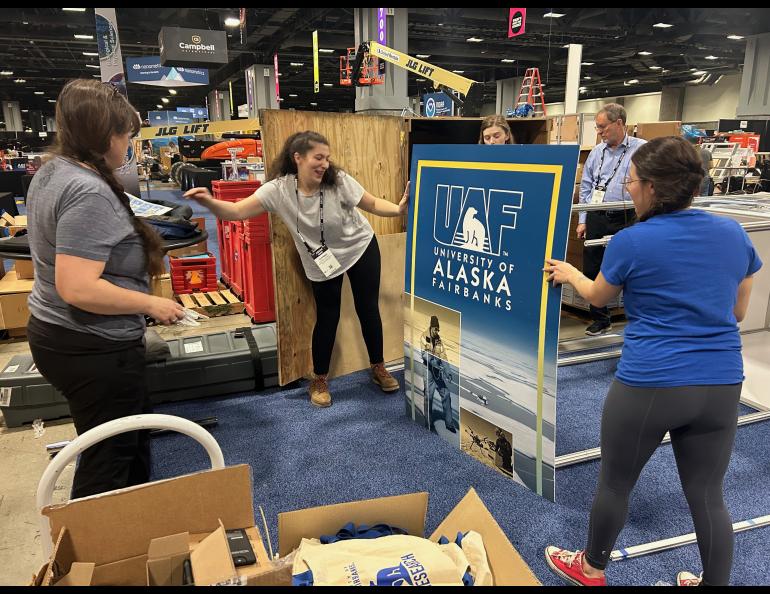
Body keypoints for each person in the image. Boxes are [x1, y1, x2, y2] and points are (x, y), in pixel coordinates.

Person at [543, 136, 761, 587]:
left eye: (633, 181)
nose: (629, 187)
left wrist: (571, 273)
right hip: (722, 381)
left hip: (651, 382)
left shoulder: (632, 240)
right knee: (707, 495)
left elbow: (599, 296)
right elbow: (737, 313)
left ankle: (590, 569)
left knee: (615, 483)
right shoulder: (733, 233)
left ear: (653, 188)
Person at [25, 79, 186, 498]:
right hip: (92, 346)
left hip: (64, 336)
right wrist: (152, 303)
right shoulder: (87, 191)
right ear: (105, 136)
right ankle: (96, 557)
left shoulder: (55, 171)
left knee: (121, 446)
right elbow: (77, 287)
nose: (130, 144)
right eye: (127, 135)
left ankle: (125, 539)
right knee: (108, 462)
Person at [184, 131, 407, 408]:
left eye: (327, 158)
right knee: (328, 317)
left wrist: (398, 210)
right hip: (322, 259)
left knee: (368, 309)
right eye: (318, 157)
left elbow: (371, 203)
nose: (325, 164)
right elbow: (237, 211)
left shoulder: (339, 182)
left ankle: (378, 367)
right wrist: (207, 201)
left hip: (359, 247)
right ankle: (320, 379)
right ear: (297, 158)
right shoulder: (278, 190)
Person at [577, 103, 646, 336]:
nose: (599, 132)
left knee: (629, 268)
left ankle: (635, 318)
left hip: (627, 217)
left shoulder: (641, 150)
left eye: (603, 127)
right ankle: (600, 318)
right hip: (597, 215)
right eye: (597, 127)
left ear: (619, 123)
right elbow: (586, 186)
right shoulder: (597, 152)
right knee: (593, 267)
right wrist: (583, 219)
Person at [420, 316, 457, 433]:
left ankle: (449, 423)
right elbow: (424, 354)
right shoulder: (424, 336)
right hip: (428, 371)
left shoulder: (439, 340)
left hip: (438, 371)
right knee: (429, 396)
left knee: (446, 394)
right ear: (431, 327)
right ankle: (428, 422)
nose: (437, 332)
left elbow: (443, 355)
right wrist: (433, 362)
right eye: (435, 329)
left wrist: (448, 371)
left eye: (438, 330)